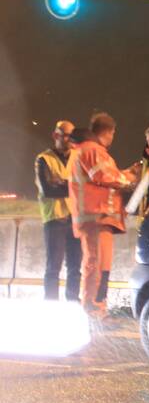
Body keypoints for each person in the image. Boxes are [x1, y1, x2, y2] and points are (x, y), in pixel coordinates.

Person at [67, 113, 137, 318]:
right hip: (96, 215)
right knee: (97, 266)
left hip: (96, 217)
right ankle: (93, 310)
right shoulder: (92, 150)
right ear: (110, 132)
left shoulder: (85, 150)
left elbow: (104, 177)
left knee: (100, 266)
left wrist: (124, 174)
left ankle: (98, 308)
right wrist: (130, 177)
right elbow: (106, 176)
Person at [34, 120, 81, 301]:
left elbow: (86, 185)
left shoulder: (77, 156)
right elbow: (48, 190)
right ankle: (51, 307)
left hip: (75, 218)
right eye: (67, 135)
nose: (71, 140)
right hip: (54, 219)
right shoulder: (43, 159)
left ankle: (73, 303)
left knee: (75, 268)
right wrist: (74, 186)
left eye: (72, 136)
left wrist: (61, 183)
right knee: (53, 267)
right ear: (56, 136)